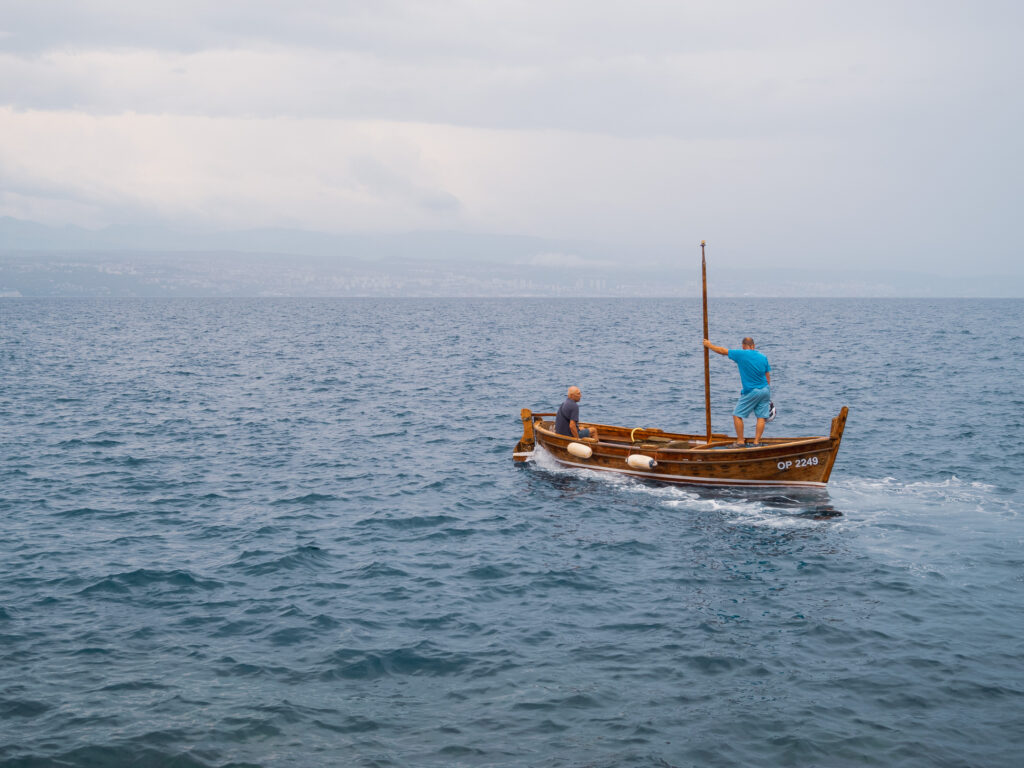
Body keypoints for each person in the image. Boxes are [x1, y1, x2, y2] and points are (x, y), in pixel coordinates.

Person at [703, 337, 771, 447]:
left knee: (737, 415)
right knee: (761, 417)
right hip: (765, 390)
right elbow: (768, 377)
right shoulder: (763, 357)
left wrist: (709, 345)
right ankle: (756, 442)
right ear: (753, 346)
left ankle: (740, 441)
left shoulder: (741, 354)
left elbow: (722, 351)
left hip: (752, 391)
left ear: (744, 346)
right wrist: (767, 393)